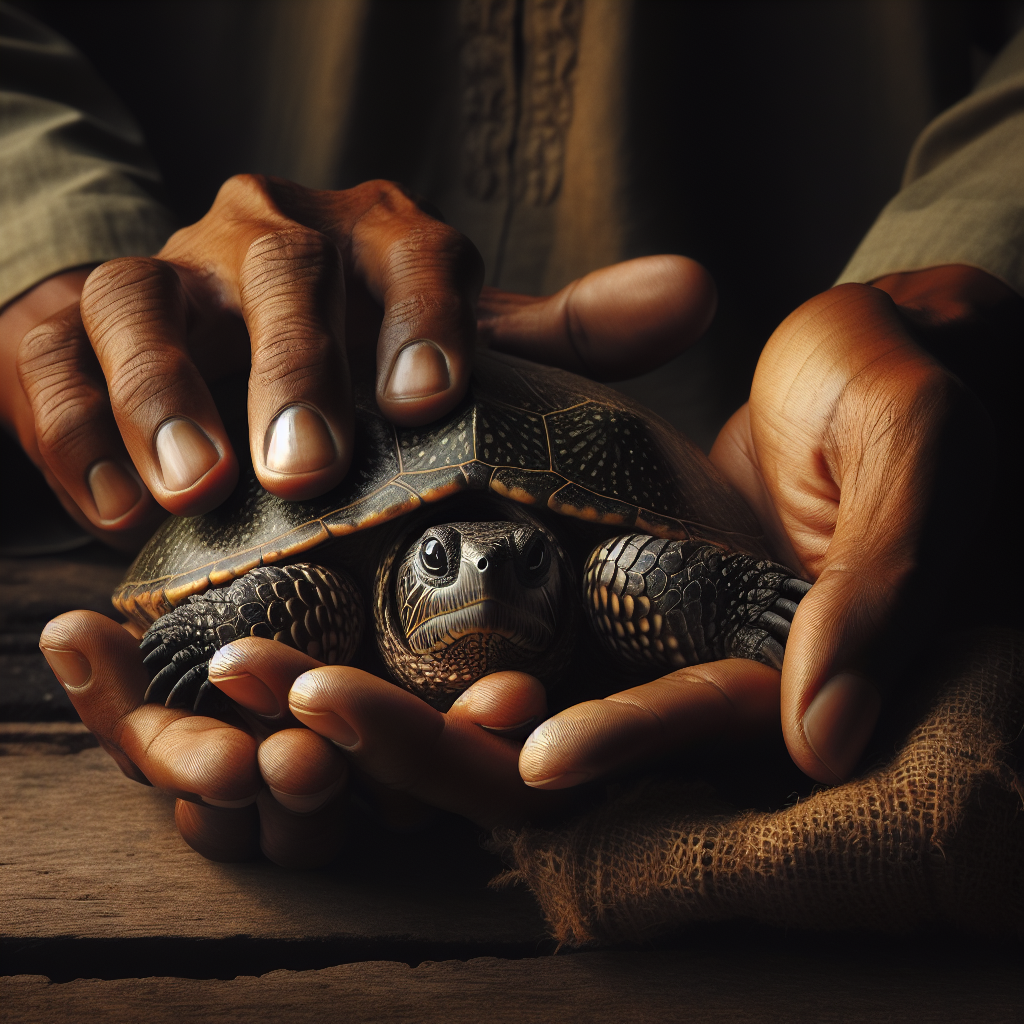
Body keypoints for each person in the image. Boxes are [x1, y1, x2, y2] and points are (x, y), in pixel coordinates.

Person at [1, 3, 1021, 874]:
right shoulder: (326, 583)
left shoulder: (611, 576)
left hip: (752, 456)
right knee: (287, 605)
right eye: (442, 559)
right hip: (241, 399)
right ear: (398, 576)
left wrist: (948, 287)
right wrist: (55, 267)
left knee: (635, 567)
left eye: (524, 563)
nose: (486, 577)